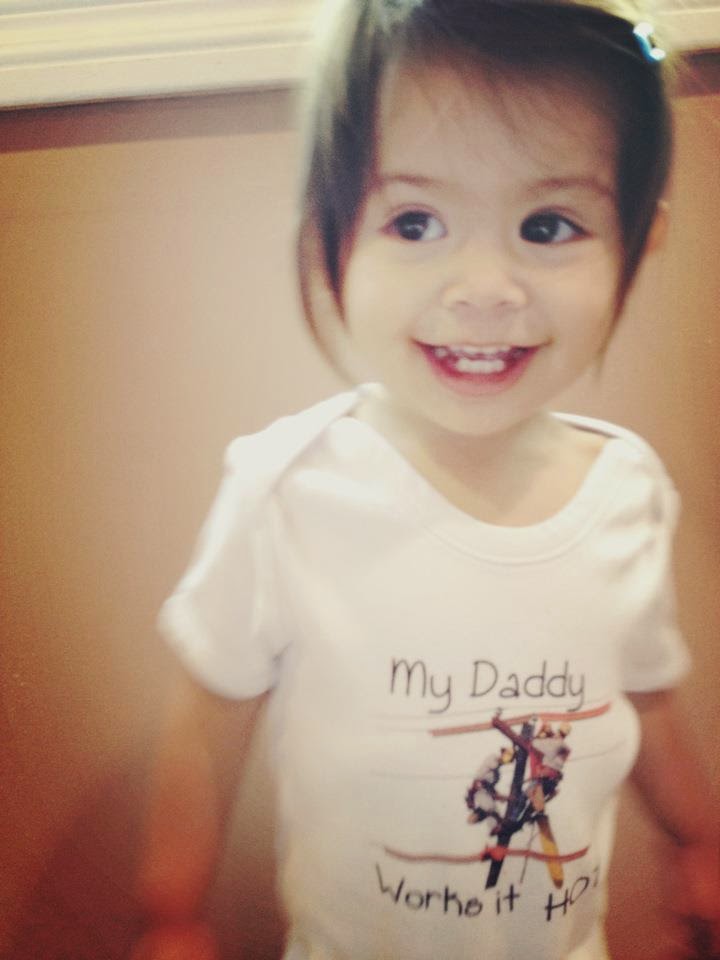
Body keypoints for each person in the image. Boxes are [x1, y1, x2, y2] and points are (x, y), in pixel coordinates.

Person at [131, 1, 719, 958]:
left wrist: (698, 841)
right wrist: (172, 917)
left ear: (636, 243)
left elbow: (647, 695)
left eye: (547, 224)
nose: (484, 287)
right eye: (415, 221)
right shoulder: (287, 491)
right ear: (328, 240)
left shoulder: (628, 490)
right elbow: (208, 724)